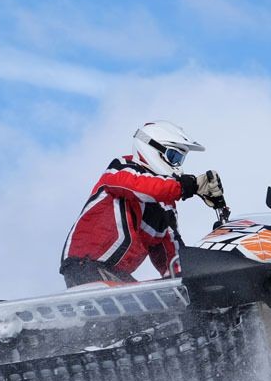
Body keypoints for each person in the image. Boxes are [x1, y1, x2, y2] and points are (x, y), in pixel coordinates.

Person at [60, 121, 225, 287]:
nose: (177, 165)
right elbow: (142, 187)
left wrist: (197, 279)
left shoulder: (165, 205)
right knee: (135, 298)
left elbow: (172, 253)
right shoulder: (121, 168)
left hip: (116, 275)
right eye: (174, 157)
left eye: (180, 159)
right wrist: (189, 185)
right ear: (152, 149)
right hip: (84, 263)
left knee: (168, 304)